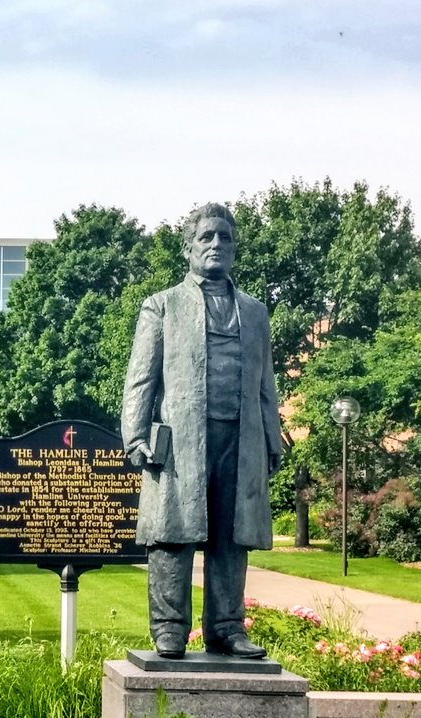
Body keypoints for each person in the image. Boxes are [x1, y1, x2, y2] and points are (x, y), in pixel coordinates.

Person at [122, 202, 281, 659]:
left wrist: (271, 439)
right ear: (189, 248)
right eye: (206, 237)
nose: (216, 245)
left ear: (234, 249)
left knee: (233, 536)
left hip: (240, 437)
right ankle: (169, 627)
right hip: (181, 440)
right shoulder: (163, 305)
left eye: (224, 238)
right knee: (173, 532)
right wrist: (135, 437)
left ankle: (227, 627)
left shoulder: (254, 313)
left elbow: (265, 385)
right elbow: (141, 379)